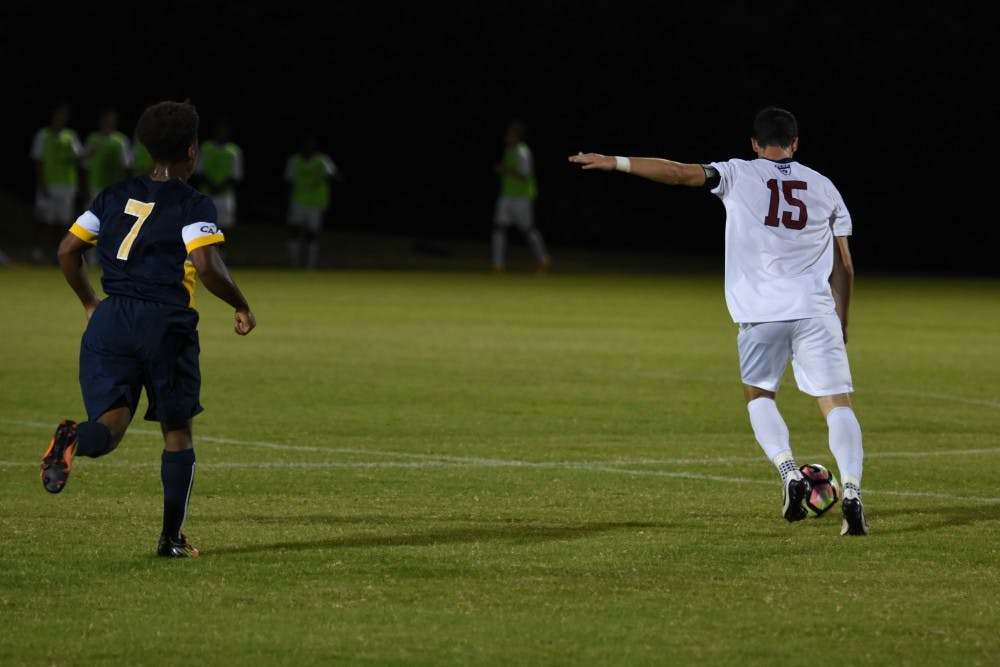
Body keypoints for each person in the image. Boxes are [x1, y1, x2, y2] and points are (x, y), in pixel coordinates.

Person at [569, 106, 867, 536]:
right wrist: (842, 320)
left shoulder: (738, 173)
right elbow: (845, 266)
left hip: (761, 311)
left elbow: (676, 173)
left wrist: (617, 162)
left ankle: (789, 473)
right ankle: (853, 492)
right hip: (815, 308)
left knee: (760, 396)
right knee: (837, 404)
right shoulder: (825, 187)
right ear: (796, 143)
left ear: (754, 143)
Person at [39, 100, 257, 558]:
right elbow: (205, 263)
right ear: (192, 151)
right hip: (165, 322)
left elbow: (66, 250)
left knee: (109, 429)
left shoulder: (113, 195)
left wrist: (89, 303)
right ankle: (170, 539)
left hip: (112, 320)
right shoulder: (192, 202)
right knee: (177, 433)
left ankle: (73, 437)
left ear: (144, 147)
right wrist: (240, 304)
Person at [492, 120, 550, 273]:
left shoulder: (522, 151)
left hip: (522, 196)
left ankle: (542, 259)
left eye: (511, 133)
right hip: (506, 195)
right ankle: (497, 265)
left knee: (527, 229)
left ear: (518, 136)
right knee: (499, 227)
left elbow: (525, 175)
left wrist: (504, 169)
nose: (507, 136)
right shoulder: (509, 150)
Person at [30, 104, 84, 264]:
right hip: (49, 184)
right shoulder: (43, 135)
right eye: (58, 115)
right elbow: (38, 161)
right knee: (43, 220)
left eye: (64, 116)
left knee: (63, 222)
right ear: (52, 117)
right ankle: (37, 252)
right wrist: (42, 183)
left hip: (67, 185)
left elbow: (78, 157)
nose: (61, 119)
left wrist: (87, 155)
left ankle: (59, 253)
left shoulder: (70, 136)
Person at [285, 135, 339, 269]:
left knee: (312, 235)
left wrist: (328, 177)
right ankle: (294, 264)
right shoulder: (295, 160)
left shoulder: (322, 160)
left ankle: (310, 266)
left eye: (311, 145)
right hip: (298, 200)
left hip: (316, 202)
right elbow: (288, 180)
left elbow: (335, 176)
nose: (308, 148)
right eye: (305, 145)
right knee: (294, 232)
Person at [195, 118, 243, 230]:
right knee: (203, 227)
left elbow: (236, 176)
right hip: (206, 193)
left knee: (224, 227)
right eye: (219, 130)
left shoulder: (234, 151)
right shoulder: (205, 148)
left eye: (224, 131)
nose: (221, 133)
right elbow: (199, 172)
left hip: (225, 195)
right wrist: (211, 186)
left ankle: (220, 248)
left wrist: (219, 187)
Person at [84, 108, 133, 205]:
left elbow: (127, 166)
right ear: (101, 120)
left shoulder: (121, 140)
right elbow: (85, 166)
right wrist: (85, 188)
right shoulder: (92, 139)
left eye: (111, 119)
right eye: (106, 119)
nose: (108, 122)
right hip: (94, 187)